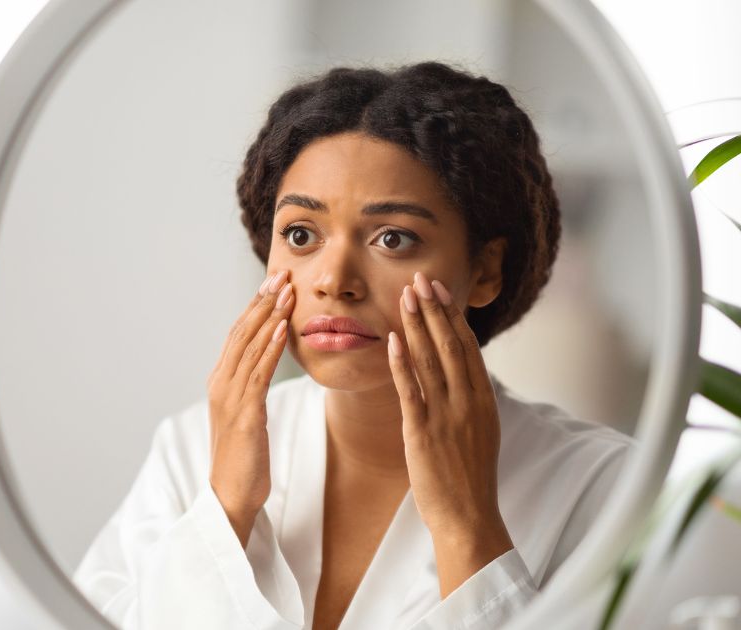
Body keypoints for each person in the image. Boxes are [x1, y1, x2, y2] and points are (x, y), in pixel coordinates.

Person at [73, 63, 633, 630]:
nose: (333, 279)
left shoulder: (605, 487)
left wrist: (468, 527)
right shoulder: (190, 451)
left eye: (393, 238)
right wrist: (225, 510)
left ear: (485, 270)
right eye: (300, 235)